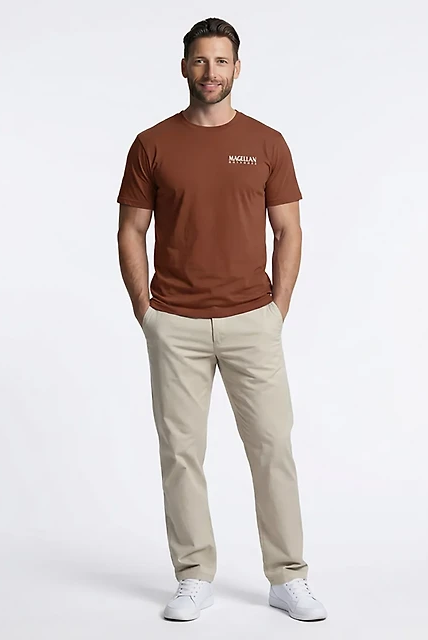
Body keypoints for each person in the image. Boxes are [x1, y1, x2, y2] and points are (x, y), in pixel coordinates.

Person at [116, 17, 327, 623]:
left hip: (252, 320)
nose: (211, 72)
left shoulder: (267, 142)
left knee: (272, 448)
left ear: (238, 67)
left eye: (221, 61)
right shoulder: (152, 143)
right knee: (181, 453)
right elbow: (131, 230)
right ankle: (193, 576)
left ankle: (288, 577)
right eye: (200, 61)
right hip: (175, 322)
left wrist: (277, 308)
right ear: (185, 66)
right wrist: (146, 311)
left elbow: (288, 230)